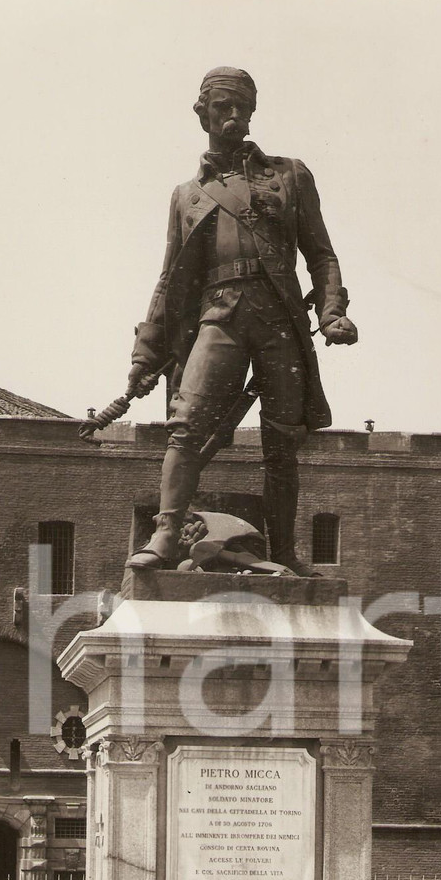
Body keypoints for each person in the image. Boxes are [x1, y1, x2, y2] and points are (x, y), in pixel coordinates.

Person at [125, 66, 357, 573]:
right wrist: (146, 354)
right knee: (185, 426)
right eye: (224, 107)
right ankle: (166, 535)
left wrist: (332, 310)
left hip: (280, 318)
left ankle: (286, 554)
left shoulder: (291, 174)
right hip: (221, 315)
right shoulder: (186, 194)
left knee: (281, 443)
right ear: (202, 112)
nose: (235, 117)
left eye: (244, 108)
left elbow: (321, 255)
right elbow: (169, 279)